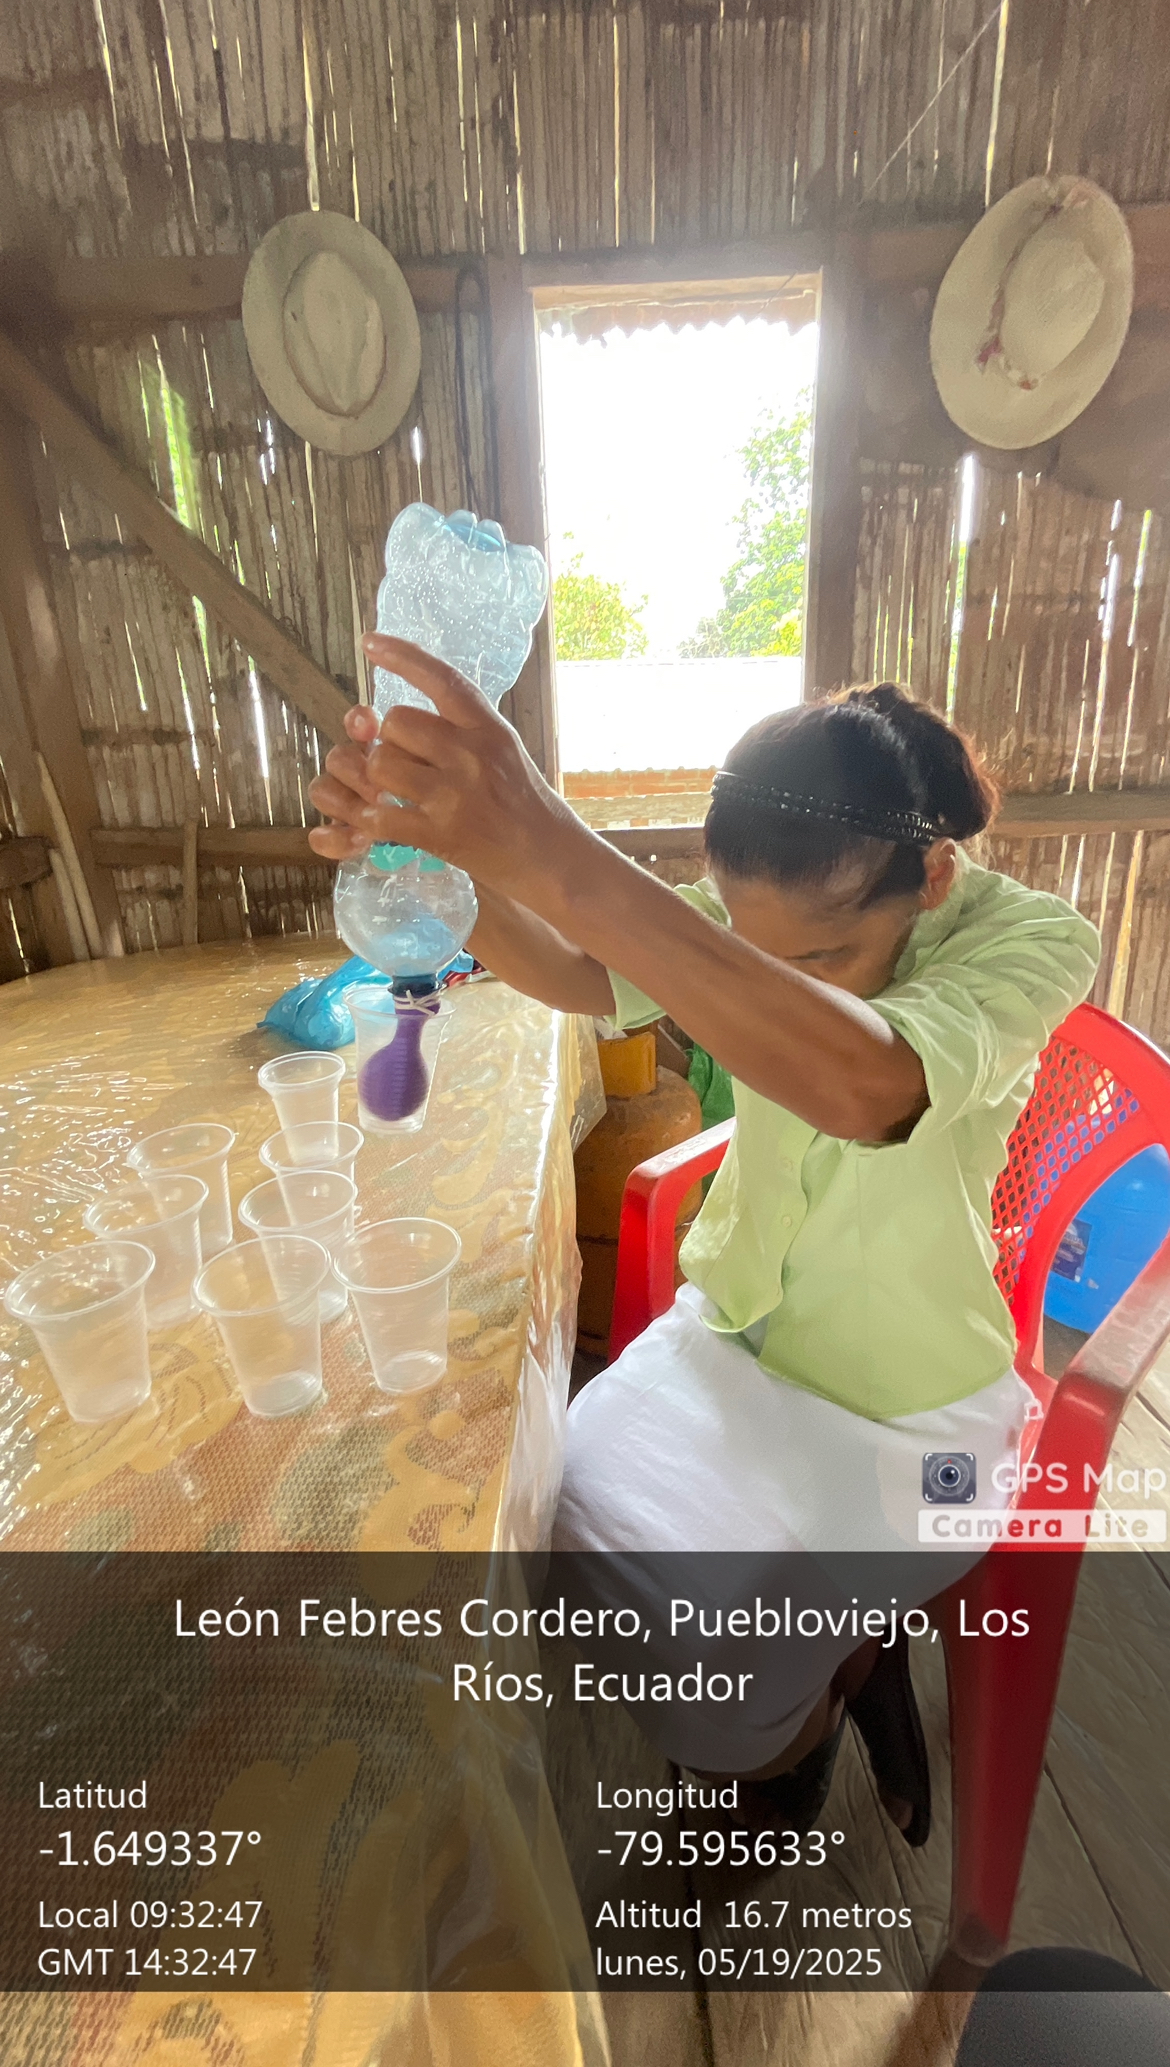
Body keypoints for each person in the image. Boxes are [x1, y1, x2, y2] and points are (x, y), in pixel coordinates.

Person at [309, 635, 1100, 1841]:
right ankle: (841, 1673)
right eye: (742, 943)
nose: (766, 981)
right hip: (731, 1333)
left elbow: (871, 1088)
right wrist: (439, 868)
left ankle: (804, 1733)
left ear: (935, 877)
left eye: (820, 957)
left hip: (911, 1400)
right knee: (539, 1531)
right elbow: (578, 966)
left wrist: (551, 846)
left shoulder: (1029, 940)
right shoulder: (750, 921)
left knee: (720, 1666)